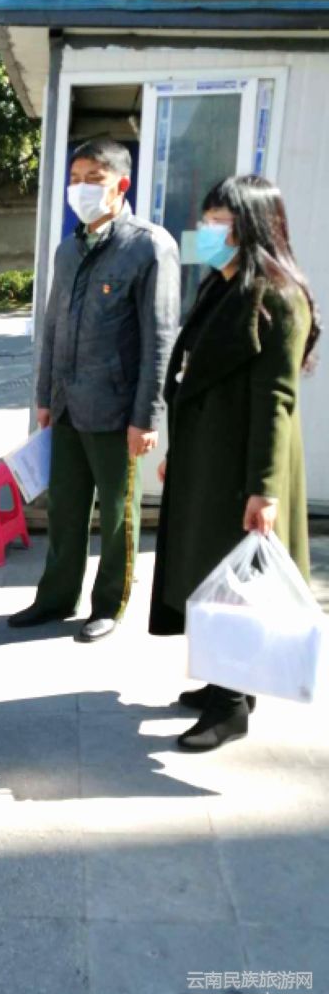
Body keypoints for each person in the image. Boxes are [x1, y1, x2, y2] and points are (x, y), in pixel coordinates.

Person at [150, 175, 320, 751]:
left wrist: (264, 489)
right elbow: (193, 373)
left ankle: (229, 709)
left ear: (253, 227)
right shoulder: (222, 286)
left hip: (243, 466)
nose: (206, 230)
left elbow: (277, 400)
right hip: (208, 459)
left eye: (219, 221)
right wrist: (179, 452)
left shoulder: (278, 296)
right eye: (206, 218)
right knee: (211, 575)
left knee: (236, 584)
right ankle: (227, 685)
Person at [9, 137, 180, 642]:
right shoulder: (69, 249)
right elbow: (52, 328)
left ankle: (109, 604)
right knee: (64, 509)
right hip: (66, 406)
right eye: (75, 179)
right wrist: (44, 396)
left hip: (116, 410)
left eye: (93, 179)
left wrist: (146, 418)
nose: (80, 188)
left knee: (118, 513)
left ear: (121, 184)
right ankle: (55, 597)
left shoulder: (148, 246)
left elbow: (159, 339)